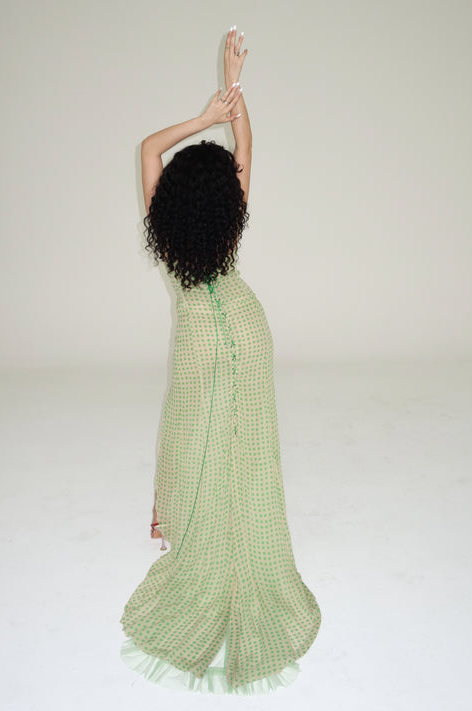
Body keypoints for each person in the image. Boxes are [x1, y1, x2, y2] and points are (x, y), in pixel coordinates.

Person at [119, 26, 321, 695]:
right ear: (224, 195)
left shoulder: (166, 228)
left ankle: (194, 534)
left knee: (192, 438)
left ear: (175, 195)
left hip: (201, 338)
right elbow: (247, 145)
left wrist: (202, 116)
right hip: (248, 325)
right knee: (246, 442)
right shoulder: (231, 212)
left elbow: (149, 147)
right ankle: (244, 536)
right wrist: (233, 89)